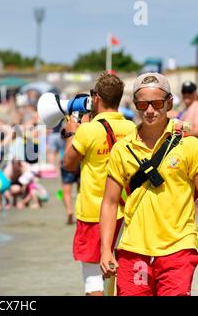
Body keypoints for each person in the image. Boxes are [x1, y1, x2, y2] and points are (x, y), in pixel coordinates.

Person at [100, 72, 198, 296]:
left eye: (157, 103)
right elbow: (109, 202)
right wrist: (106, 249)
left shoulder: (189, 145)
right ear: (135, 105)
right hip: (134, 250)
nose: (150, 110)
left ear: (170, 102)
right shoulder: (122, 149)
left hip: (178, 249)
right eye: (143, 104)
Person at [63, 72, 136, 295]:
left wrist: (73, 130)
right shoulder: (132, 129)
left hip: (93, 212)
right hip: (125, 210)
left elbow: (68, 164)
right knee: (117, 272)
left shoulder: (88, 130)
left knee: (93, 276)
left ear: (96, 97)